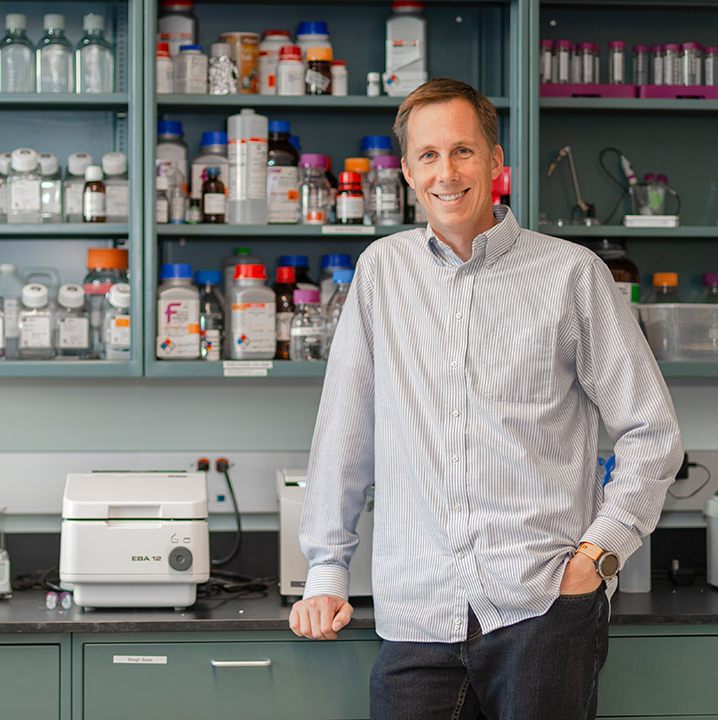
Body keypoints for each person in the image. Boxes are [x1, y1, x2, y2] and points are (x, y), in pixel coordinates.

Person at [288, 77, 683, 720]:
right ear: (409, 173)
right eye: (428, 155)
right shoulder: (380, 273)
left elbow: (652, 432)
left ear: (497, 161)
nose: (447, 172)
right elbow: (346, 433)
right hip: (417, 614)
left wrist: (597, 556)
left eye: (464, 151)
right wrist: (327, 570)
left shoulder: (572, 275)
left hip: (543, 609)